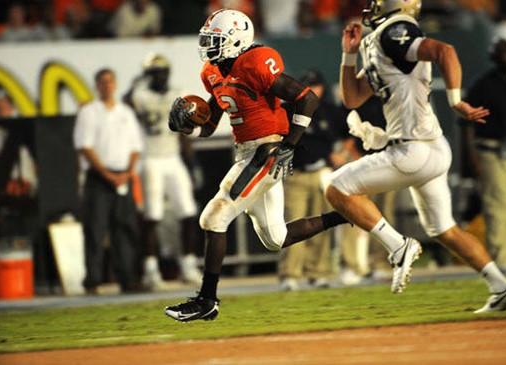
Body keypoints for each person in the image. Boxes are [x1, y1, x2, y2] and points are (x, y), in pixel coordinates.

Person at [325, 0, 506, 313]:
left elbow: (446, 51)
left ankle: (398, 246)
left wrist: (456, 100)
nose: (372, 6)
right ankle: (501, 287)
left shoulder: (394, 31)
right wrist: (348, 54)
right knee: (445, 230)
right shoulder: (378, 41)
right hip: (430, 147)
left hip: (412, 148)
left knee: (336, 187)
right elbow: (352, 97)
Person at [164, 9, 349, 322]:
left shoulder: (255, 62)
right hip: (245, 151)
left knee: (214, 217)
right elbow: (209, 126)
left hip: (266, 149)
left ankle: (207, 299)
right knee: (275, 239)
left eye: (216, 39)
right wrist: (187, 125)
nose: (209, 45)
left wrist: (289, 145)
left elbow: (307, 99)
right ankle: (345, 214)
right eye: (208, 39)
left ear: (237, 40)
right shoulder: (212, 72)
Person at [125, 54, 201, 290]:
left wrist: (191, 162)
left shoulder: (177, 93)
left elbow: (186, 131)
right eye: (153, 72)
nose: (158, 76)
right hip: (151, 159)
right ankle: (150, 269)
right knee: (153, 216)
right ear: (148, 75)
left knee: (188, 213)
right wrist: (135, 83)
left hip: (173, 157)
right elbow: (124, 104)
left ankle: (188, 265)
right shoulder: (139, 95)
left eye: (161, 71)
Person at [461, 39, 506, 275]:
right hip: (491, 150)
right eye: (502, 52)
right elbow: (467, 124)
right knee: (497, 204)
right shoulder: (482, 84)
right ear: (494, 56)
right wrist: (473, 158)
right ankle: (502, 258)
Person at [73, 69, 143, 294]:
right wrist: (106, 173)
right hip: (99, 178)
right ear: (97, 86)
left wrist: (127, 172)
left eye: (110, 82)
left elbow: (135, 147)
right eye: (102, 82)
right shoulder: (89, 113)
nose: (107, 86)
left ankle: (127, 278)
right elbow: (85, 146)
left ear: (115, 84)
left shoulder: (125, 112)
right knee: (95, 229)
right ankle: (92, 280)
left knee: (124, 228)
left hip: (123, 176)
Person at [278, 70, 345, 291]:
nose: (313, 90)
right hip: (295, 174)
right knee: (292, 224)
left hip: (321, 174)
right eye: (308, 86)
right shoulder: (287, 110)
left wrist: (337, 155)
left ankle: (318, 272)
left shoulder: (327, 111)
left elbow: (342, 136)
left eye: (315, 86)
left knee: (321, 223)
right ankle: (291, 273)